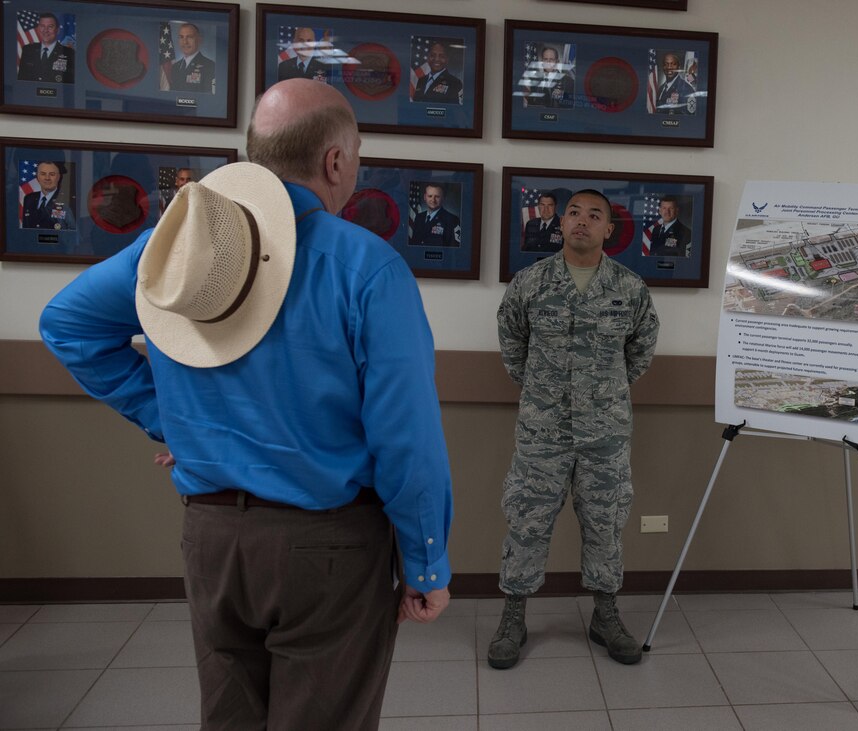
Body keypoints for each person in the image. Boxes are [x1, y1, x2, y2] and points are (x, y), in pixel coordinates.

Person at [39, 78, 453, 730]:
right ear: (336, 161)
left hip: (210, 540)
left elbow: (66, 325)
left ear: (252, 151)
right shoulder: (367, 267)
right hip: (330, 546)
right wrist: (427, 560)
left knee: (230, 718)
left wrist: (172, 418)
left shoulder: (178, 249)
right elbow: (408, 437)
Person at [490, 189, 659, 670]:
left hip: (605, 432)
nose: (582, 221)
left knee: (606, 524)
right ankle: (513, 618)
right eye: (573, 214)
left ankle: (605, 615)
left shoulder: (629, 288)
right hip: (542, 431)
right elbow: (512, 344)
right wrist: (544, 393)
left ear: (609, 229)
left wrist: (602, 393)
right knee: (526, 522)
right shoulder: (530, 283)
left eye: (595, 215)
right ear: (561, 224)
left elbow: (640, 349)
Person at [17, 13, 74, 84]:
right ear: (38, 29)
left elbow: (70, 85)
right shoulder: (28, 50)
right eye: (42, 26)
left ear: (57, 30)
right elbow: (21, 80)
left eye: (50, 27)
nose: (45, 30)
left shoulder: (69, 53)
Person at [21, 161, 74, 230]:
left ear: (59, 177)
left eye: (52, 174)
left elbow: (72, 233)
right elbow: (25, 229)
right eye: (43, 174)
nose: (47, 178)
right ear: (37, 176)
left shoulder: (67, 200)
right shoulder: (29, 199)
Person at [168, 23, 215, 93]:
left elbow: (209, 99)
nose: (185, 42)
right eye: (181, 37)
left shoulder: (210, 66)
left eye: (189, 37)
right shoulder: (175, 67)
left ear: (199, 40)